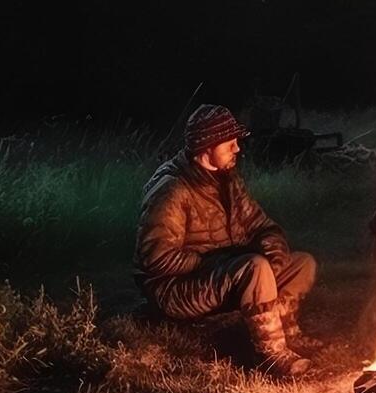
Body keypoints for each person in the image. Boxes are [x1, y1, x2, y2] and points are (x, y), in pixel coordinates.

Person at [135, 104, 317, 376]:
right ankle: (271, 355)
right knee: (253, 267)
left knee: (303, 263)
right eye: (229, 143)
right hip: (177, 288)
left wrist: (275, 253)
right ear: (207, 147)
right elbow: (156, 260)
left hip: (223, 273)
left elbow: (260, 225)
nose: (237, 149)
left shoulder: (227, 179)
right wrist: (216, 262)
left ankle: (285, 327)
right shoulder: (173, 190)